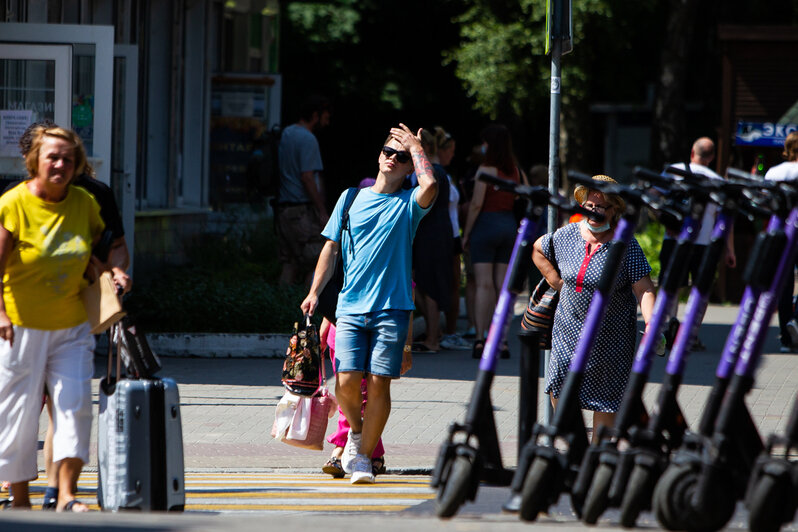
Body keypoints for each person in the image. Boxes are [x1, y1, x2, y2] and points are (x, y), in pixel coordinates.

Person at [4, 120, 133, 510]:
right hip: (20, 326)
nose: (60, 165)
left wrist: (114, 273)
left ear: (78, 163)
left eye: (68, 159)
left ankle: (65, 494)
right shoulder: (12, 204)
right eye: (52, 158)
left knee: (74, 406)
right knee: (18, 414)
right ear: (34, 161)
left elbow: (100, 254)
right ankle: (20, 497)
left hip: (71, 325)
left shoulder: (88, 203)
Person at [301, 123, 436, 484]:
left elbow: (431, 186)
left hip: (391, 310)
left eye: (402, 156)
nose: (393, 157)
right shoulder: (349, 199)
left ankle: (361, 458)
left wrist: (418, 148)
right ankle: (358, 437)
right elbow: (329, 248)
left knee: (379, 384)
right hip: (349, 308)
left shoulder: (409, 205)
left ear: (410, 166)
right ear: (379, 156)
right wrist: (315, 291)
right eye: (388, 151)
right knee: (345, 381)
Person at [532, 175, 656, 440]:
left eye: (601, 207)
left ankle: (597, 457)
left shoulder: (625, 245)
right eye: (589, 206)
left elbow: (644, 288)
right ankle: (575, 448)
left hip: (610, 339)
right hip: (568, 331)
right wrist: (556, 281)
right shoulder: (567, 236)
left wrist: (652, 323)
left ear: (615, 210)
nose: (594, 212)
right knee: (560, 386)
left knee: (605, 398)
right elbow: (538, 249)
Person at [662, 137, 736, 350]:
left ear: (692, 153)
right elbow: (725, 220)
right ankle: (691, 334)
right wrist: (729, 250)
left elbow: (654, 197)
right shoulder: (716, 180)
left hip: (674, 239)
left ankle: (668, 328)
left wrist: (666, 221)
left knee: (671, 286)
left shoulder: (674, 170)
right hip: (703, 244)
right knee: (700, 289)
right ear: (711, 157)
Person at [462, 124, 527, 359]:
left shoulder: (485, 169)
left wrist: (467, 232)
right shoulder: (516, 170)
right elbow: (525, 193)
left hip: (485, 227)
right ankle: (502, 340)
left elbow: (477, 203)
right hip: (508, 227)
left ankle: (481, 338)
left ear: (489, 144)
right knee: (502, 287)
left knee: (483, 285)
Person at [275, 95, 331, 286]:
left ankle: (278, 306)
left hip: (283, 210)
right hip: (301, 212)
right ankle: (307, 308)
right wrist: (322, 211)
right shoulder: (308, 139)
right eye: (325, 116)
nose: (327, 120)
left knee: (289, 262)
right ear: (315, 115)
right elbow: (307, 177)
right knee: (318, 260)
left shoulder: (287, 133)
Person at [410, 129, 453, 353]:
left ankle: (433, 339)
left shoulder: (431, 172)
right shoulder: (441, 171)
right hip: (439, 232)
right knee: (426, 285)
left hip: (429, 233)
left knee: (428, 286)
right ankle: (433, 334)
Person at [435, 127, 471, 351]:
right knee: (449, 285)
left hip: (452, 234)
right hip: (446, 235)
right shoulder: (438, 174)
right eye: (452, 150)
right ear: (443, 149)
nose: (454, 155)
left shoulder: (444, 174)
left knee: (454, 284)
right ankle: (445, 331)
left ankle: (447, 330)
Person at [764, 131, 798, 352]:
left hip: (782, 232)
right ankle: (796, 319)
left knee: (784, 286)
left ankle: (786, 338)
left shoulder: (774, 172)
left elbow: (765, 203)